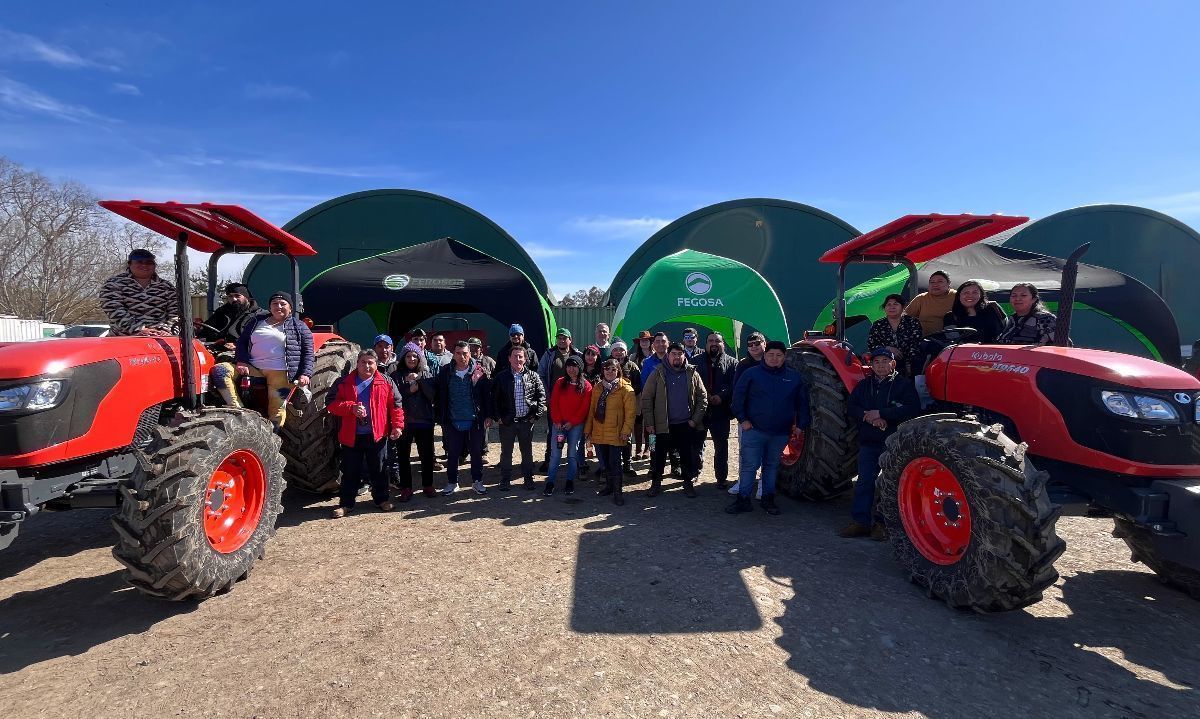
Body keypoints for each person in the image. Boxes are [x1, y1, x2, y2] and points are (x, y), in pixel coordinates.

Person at [838, 348, 920, 539]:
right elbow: (852, 407)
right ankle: (861, 522)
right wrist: (869, 417)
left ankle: (882, 524)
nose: (881, 365)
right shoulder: (864, 385)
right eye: (877, 362)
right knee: (865, 482)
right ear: (872, 365)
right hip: (868, 441)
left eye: (885, 361)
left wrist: (883, 414)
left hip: (892, 442)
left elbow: (911, 409)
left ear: (893, 364)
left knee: (888, 483)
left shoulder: (903, 386)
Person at [727, 340, 810, 516]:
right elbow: (737, 399)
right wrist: (743, 420)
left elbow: (802, 404)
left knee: (771, 466)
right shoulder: (751, 374)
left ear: (784, 357)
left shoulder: (793, 378)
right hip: (754, 430)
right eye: (771, 354)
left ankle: (768, 500)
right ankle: (743, 500)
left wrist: (801, 426)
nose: (774, 358)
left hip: (780, 433)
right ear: (765, 355)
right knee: (749, 466)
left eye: (778, 355)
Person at [212, 291, 313, 429]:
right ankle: (240, 414)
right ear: (270, 307)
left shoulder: (299, 326)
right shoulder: (256, 321)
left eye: (283, 304)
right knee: (220, 370)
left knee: (276, 411)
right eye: (274, 304)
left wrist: (305, 374)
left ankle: (270, 440)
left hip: (281, 372)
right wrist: (241, 360)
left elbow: (308, 352)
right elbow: (242, 342)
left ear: (290, 307)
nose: (278, 307)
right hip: (254, 368)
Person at [328, 350, 405, 518]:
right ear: (357, 364)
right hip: (351, 435)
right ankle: (346, 505)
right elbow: (331, 404)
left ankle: (382, 500)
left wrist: (397, 426)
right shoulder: (344, 382)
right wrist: (351, 408)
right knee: (350, 471)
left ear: (376, 364)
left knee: (378, 469)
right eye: (363, 362)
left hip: (376, 435)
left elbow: (396, 405)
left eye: (370, 362)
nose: (367, 366)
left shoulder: (386, 381)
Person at [641, 342, 707, 498]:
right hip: (661, 426)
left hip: (686, 424)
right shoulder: (658, 372)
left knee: (687, 456)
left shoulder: (692, 373)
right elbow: (646, 398)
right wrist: (649, 423)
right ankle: (656, 484)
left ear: (684, 355)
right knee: (657, 454)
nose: (677, 357)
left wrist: (694, 421)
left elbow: (702, 398)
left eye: (680, 354)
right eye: (674, 354)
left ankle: (688, 483)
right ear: (668, 355)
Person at [434, 341, 493, 495]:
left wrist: (488, 415)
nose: (462, 357)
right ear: (453, 354)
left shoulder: (479, 372)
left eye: (465, 353)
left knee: (476, 452)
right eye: (458, 353)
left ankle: (477, 481)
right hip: (453, 420)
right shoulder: (445, 372)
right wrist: (441, 417)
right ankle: (452, 483)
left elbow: (487, 396)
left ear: (470, 354)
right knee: (453, 454)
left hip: (475, 420)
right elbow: (440, 396)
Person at [491, 344, 547, 491]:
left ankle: (528, 479)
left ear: (525, 359)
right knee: (506, 452)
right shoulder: (501, 377)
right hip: (507, 422)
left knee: (527, 452)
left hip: (526, 422)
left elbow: (542, 397)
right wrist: (498, 417)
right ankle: (505, 479)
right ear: (509, 358)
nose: (518, 359)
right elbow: (494, 399)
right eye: (514, 356)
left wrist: (536, 415)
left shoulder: (533, 376)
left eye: (520, 356)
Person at [585, 358, 637, 505]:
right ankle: (609, 486)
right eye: (607, 369)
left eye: (613, 369)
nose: (609, 372)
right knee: (605, 463)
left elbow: (630, 413)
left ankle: (618, 492)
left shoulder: (626, 389)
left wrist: (626, 431)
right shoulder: (597, 388)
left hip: (616, 433)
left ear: (618, 371)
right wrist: (588, 429)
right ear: (603, 371)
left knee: (615, 463)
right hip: (600, 432)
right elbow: (592, 411)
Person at [692, 332, 737, 489]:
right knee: (696, 444)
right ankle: (694, 473)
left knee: (721, 447)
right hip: (700, 411)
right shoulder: (695, 361)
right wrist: (707, 395)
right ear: (705, 344)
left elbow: (734, 385)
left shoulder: (732, 363)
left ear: (723, 344)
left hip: (721, 412)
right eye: (710, 340)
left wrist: (721, 396)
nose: (714, 343)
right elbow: (692, 384)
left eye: (717, 341)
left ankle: (721, 478)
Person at [99, 248, 179, 337]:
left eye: (149, 262)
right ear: (129, 264)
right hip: (122, 337)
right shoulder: (113, 284)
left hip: (161, 336)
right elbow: (114, 310)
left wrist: (168, 330)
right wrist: (139, 329)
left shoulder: (166, 286)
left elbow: (176, 313)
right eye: (139, 262)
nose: (144, 265)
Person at [392, 343, 437, 501]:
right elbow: (394, 398)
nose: (411, 359)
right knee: (403, 456)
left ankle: (428, 485)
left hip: (424, 421)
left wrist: (419, 380)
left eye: (415, 356)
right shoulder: (396, 375)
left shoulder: (426, 373)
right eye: (408, 356)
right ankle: (406, 487)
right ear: (403, 358)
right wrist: (408, 390)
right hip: (405, 422)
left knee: (426, 455)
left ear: (420, 358)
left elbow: (432, 395)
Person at [544, 356, 592, 496]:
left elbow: (584, 408)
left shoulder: (587, 386)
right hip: (559, 425)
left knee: (572, 454)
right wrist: (557, 420)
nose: (571, 369)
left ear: (580, 367)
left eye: (575, 366)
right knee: (555, 454)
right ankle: (550, 482)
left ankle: (570, 480)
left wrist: (573, 422)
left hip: (575, 425)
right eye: (569, 366)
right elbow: (554, 403)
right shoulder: (560, 382)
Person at [537, 328, 582, 473]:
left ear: (570, 340)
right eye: (559, 338)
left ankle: (576, 462)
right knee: (554, 431)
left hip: (574, 401)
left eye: (565, 338)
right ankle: (550, 459)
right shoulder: (549, 354)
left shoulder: (576, 354)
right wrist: (547, 395)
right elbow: (541, 374)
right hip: (555, 400)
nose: (562, 341)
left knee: (575, 432)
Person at [728, 331, 767, 498]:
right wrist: (742, 417)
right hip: (748, 418)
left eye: (757, 343)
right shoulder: (743, 365)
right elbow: (737, 392)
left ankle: (763, 487)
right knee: (745, 452)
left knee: (767, 454)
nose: (753, 347)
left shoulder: (774, 361)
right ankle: (743, 482)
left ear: (764, 343)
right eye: (750, 345)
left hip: (769, 417)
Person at [866, 294, 925, 377]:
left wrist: (908, 362)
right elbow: (872, 345)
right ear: (884, 308)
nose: (892, 307)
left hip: (910, 361)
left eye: (895, 304)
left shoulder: (912, 322)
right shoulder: (878, 324)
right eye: (888, 304)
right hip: (886, 360)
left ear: (903, 307)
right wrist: (887, 348)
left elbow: (916, 343)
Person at [195, 283, 258, 355]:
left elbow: (261, 338)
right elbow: (207, 329)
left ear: (246, 297)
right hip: (216, 349)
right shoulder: (222, 312)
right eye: (230, 296)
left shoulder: (259, 316)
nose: (234, 299)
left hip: (242, 353)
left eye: (237, 296)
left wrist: (237, 344)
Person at [609, 340, 642, 475]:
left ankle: (627, 464)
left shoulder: (632, 366)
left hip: (627, 406)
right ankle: (611, 464)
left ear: (626, 351)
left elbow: (638, 385)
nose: (618, 352)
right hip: (611, 407)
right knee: (612, 435)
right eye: (616, 350)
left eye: (621, 350)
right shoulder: (607, 365)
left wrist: (628, 395)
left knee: (626, 435)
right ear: (612, 352)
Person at [943, 280, 1007, 344]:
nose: (970, 296)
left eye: (975, 292)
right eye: (966, 293)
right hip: (966, 352)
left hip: (997, 351)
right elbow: (954, 342)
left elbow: (1007, 330)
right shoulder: (950, 317)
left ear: (981, 295)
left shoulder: (993, 308)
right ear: (959, 296)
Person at [904, 270, 957, 336]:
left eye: (940, 281)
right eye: (932, 282)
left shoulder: (956, 296)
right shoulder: (921, 298)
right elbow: (905, 316)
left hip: (950, 339)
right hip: (924, 338)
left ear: (948, 283)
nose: (935, 284)